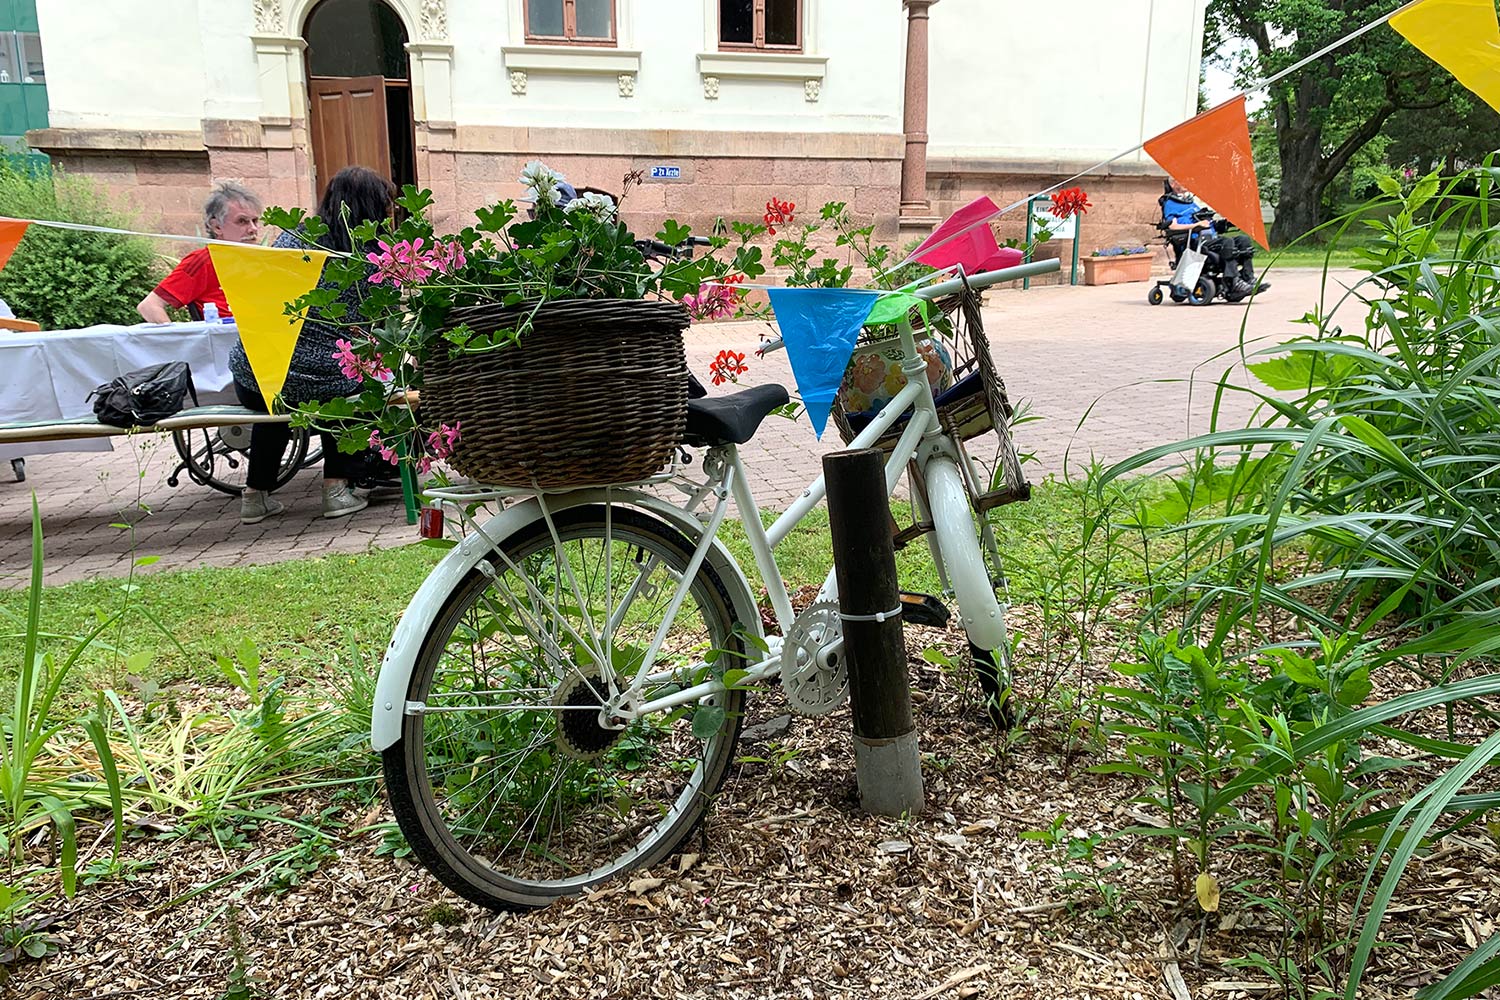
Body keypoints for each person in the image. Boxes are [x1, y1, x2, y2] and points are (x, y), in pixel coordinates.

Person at [228, 166, 397, 525]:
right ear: (372, 208)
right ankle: (336, 490)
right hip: (325, 384)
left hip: (255, 377)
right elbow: (382, 322)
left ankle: (255, 497)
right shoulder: (373, 257)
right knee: (352, 385)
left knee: (279, 393)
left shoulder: (292, 238)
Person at [137, 181, 263, 323]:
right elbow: (149, 307)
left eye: (255, 221)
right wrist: (180, 344)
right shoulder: (203, 260)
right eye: (242, 221)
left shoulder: (263, 260)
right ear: (217, 227)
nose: (253, 229)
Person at [1160, 177, 1267, 298]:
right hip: (1195, 242)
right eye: (1183, 181)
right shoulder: (1170, 203)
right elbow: (1172, 226)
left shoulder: (1191, 202)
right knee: (1227, 242)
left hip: (1209, 238)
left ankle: (1248, 278)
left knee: (1243, 240)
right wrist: (1196, 225)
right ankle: (1234, 282)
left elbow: (1209, 224)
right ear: (1174, 184)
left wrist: (1228, 223)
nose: (1187, 183)